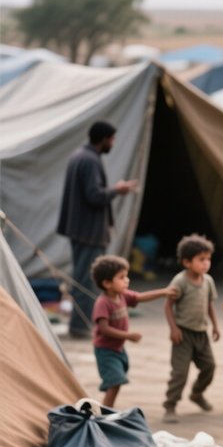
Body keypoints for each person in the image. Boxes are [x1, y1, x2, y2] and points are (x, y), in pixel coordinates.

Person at [57, 120, 138, 338]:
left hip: (80, 230)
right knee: (87, 281)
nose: (113, 143)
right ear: (103, 139)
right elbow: (94, 195)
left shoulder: (79, 156)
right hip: (89, 232)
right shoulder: (90, 160)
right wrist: (117, 190)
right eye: (112, 139)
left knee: (82, 277)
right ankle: (81, 327)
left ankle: (80, 324)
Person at [90, 255, 175, 408]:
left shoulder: (122, 295)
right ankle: (104, 412)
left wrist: (164, 292)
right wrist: (128, 336)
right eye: (122, 277)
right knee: (115, 381)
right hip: (105, 350)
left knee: (116, 382)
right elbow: (104, 329)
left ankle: (106, 409)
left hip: (118, 348)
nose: (127, 280)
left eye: (126, 276)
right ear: (107, 283)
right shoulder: (103, 303)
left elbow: (140, 297)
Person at [162, 234, 220, 423]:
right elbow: (168, 305)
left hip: (201, 333)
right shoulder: (180, 281)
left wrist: (215, 326)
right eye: (201, 259)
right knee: (180, 372)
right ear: (187, 262)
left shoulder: (208, 281)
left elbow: (209, 304)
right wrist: (173, 329)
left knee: (209, 366)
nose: (206, 263)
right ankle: (170, 405)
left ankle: (197, 393)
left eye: (208, 259)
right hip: (183, 334)